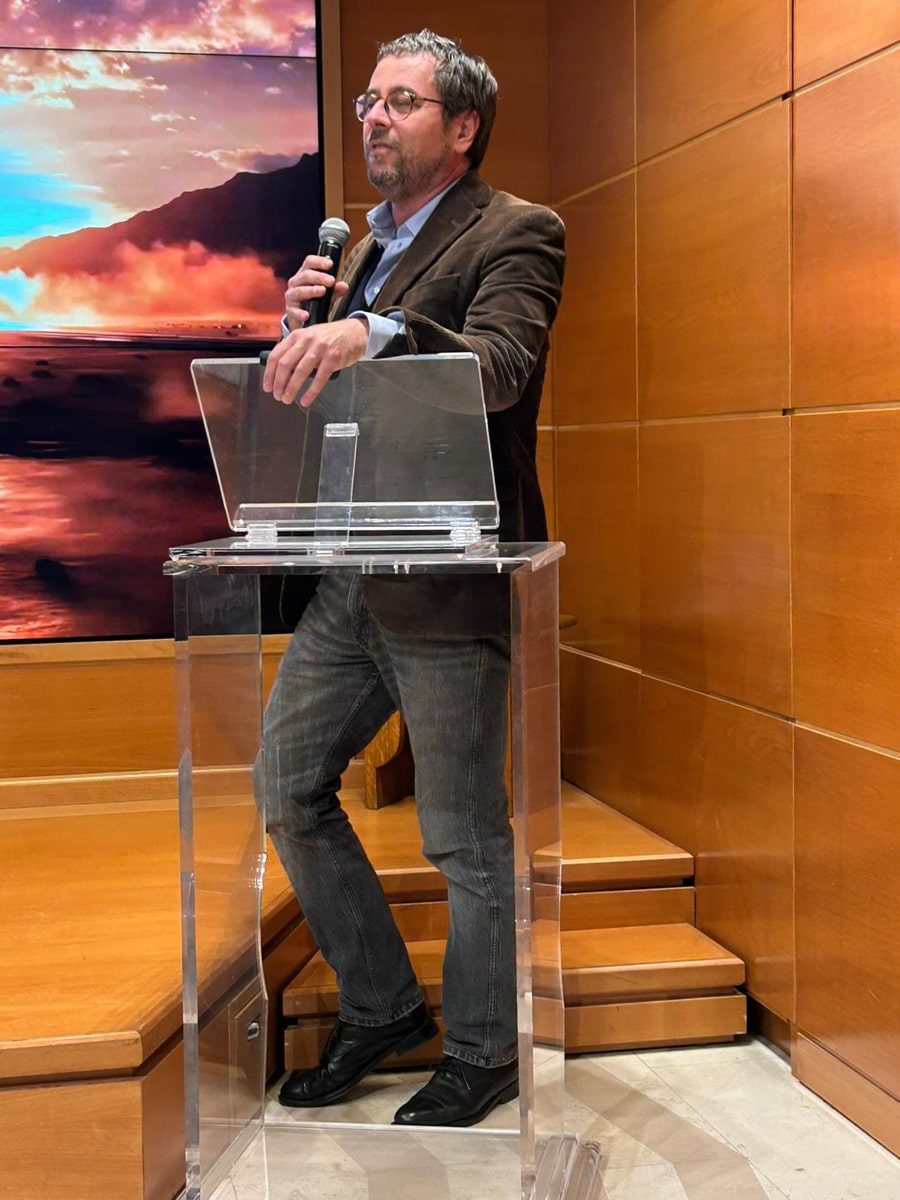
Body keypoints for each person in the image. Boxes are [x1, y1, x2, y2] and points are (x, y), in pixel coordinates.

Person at [258, 29, 565, 1128]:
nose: (374, 119)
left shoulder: (517, 230)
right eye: (367, 103)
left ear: (463, 126)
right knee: (287, 788)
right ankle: (384, 1006)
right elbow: (342, 401)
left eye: (401, 101)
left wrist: (373, 331)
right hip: (349, 571)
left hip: (446, 572)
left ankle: (484, 1050)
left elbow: (499, 368)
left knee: (462, 834)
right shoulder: (357, 254)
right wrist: (302, 334)